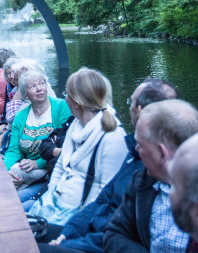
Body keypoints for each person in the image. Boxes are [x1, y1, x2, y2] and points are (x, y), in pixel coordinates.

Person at [61, 99, 198, 253]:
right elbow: (114, 237)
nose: (135, 151)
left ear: (162, 153)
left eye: (140, 145)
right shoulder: (142, 182)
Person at [38, 78, 179, 253]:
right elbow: (102, 200)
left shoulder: (145, 164)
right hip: (89, 235)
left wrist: (69, 242)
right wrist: (69, 232)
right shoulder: (135, 154)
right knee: (30, 230)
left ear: (140, 110)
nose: (128, 107)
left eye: (130, 102)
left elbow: (117, 231)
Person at [27, 68, 128, 223]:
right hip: (56, 204)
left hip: (79, 219)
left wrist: (75, 223)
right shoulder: (75, 125)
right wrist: (50, 197)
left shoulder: (113, 138)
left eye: (67, 94)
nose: (65, 98)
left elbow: (106, 193)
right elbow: (60, 167)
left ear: (76, 103)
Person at [4, 69, 72, 196]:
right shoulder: (21, 116)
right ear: (26, 94)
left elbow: (63, 145)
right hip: (27, 170)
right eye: (33, 86)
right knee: (10, 176)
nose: (39, 89)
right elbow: (13, 151)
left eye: (41, 84)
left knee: (13, 176)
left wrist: (37, 163)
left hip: (51, 167)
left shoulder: (61, 107)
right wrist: (5, 171)